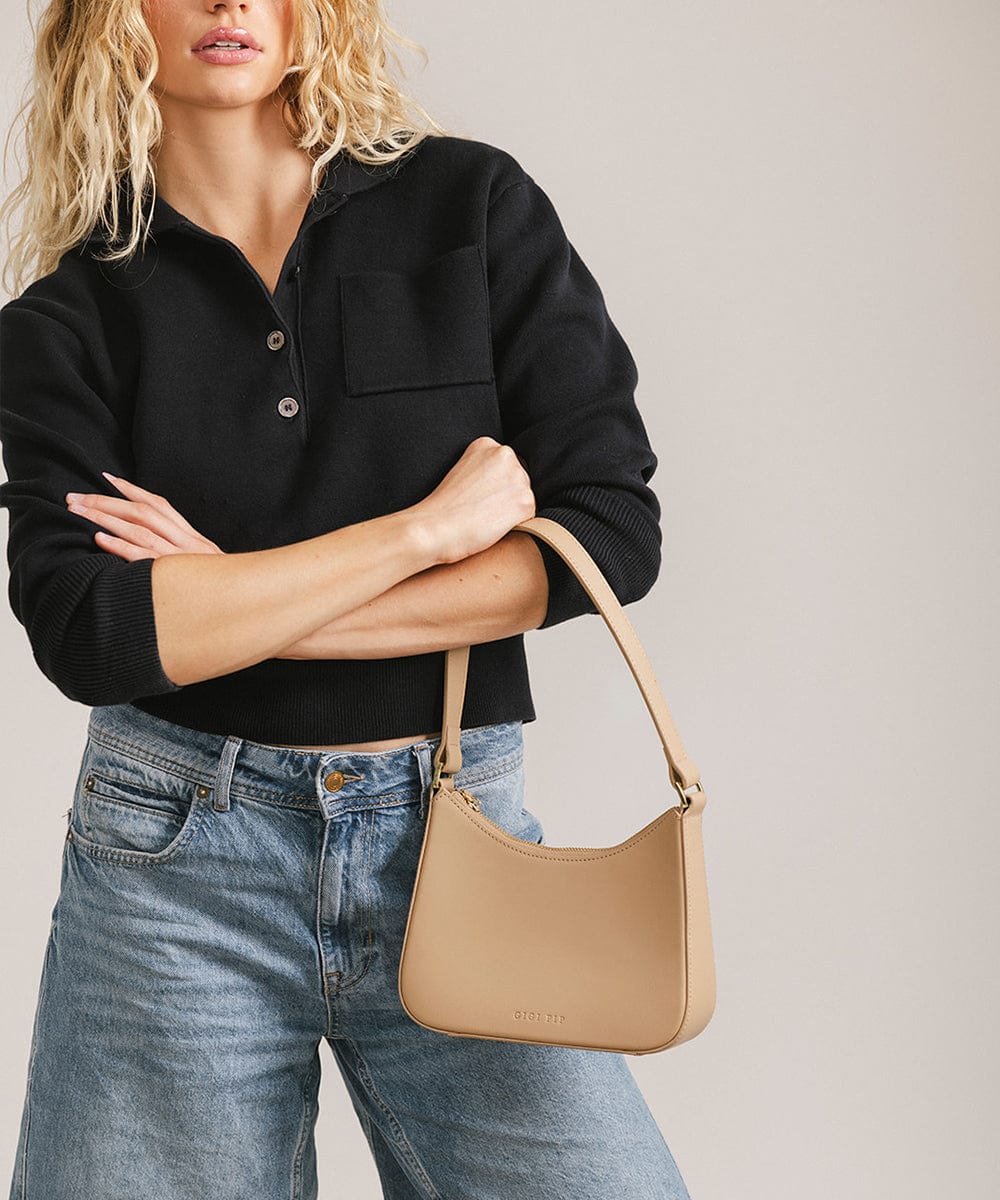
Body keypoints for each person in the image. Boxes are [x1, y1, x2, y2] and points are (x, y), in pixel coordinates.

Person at [0, 2, 691, 1197]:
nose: (229, 3)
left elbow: (606, 533)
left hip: (459, 839)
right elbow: (96, 634)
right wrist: (419, 536)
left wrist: (221, 599)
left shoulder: (470, 208)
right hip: (174, 871)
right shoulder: (68, 322)